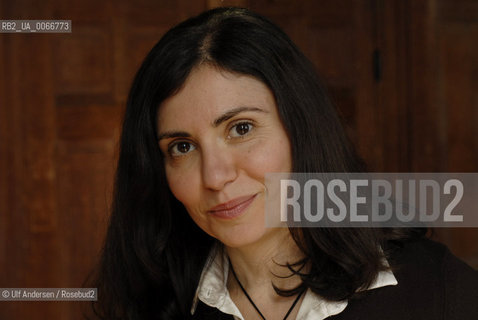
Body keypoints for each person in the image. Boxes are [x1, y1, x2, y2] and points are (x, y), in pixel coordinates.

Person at [91, 7, 478, 320]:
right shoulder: (150, 305)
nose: (216, 176)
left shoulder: (441, 293)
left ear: (301, 127)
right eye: (181, 147)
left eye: (241, 128)